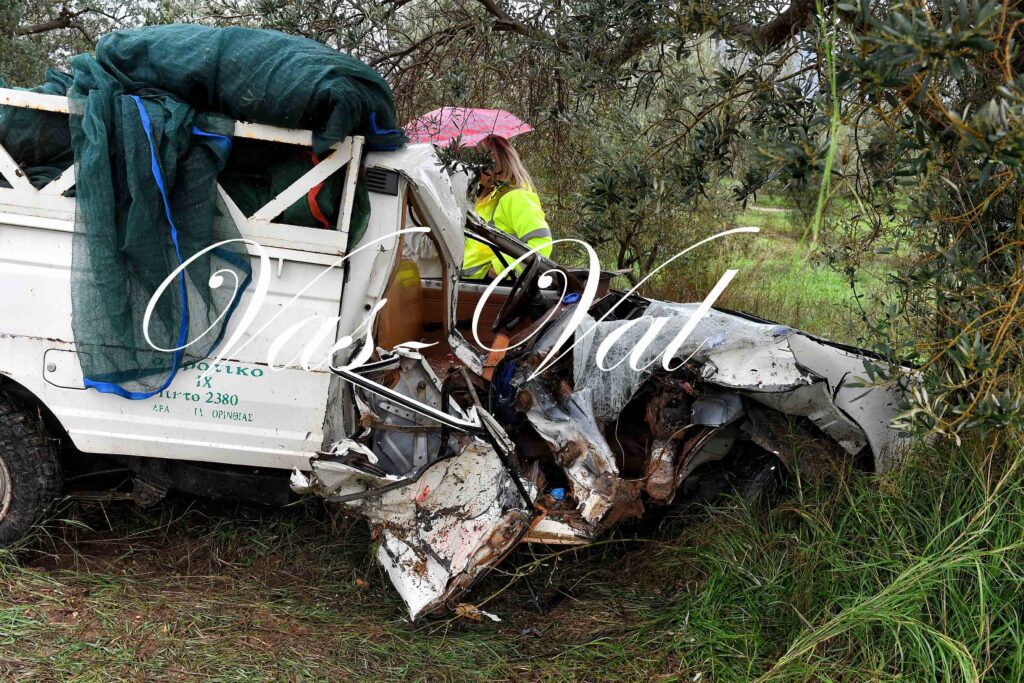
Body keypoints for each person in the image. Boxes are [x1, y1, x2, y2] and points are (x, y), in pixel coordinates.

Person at [462, 135, 553, 279]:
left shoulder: (516, 197)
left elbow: (541, 244)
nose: (472, 168)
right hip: (474, 285)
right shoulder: (487, 197)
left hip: (497, 288)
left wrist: (502, 270)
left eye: (477, 162)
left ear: (493, 165)